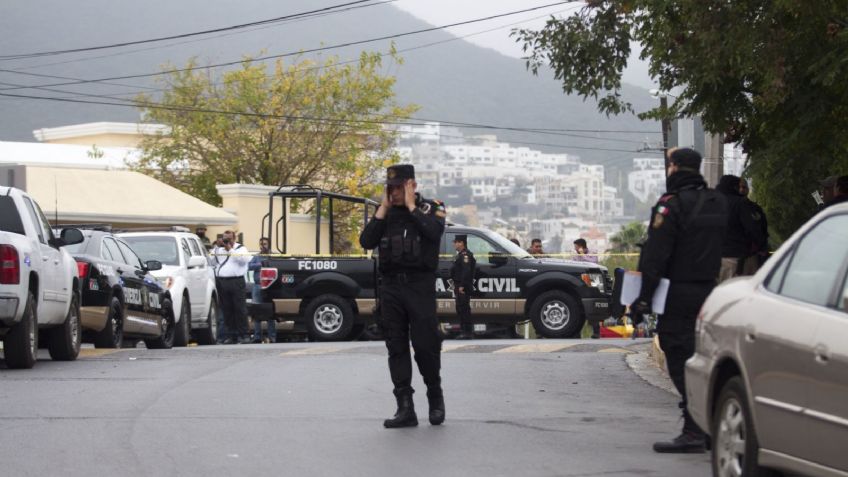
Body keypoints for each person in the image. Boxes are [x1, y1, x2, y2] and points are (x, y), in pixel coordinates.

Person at [630, 147, 727, 454]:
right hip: (710, 292)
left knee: (679, 356)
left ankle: (693, 428)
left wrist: (641, 301)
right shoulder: (718, 202)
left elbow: (656, 257)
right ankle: (711, 425)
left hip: (678, 293)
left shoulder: (670, 205)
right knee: (704, 358)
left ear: (673, 168)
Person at [359, 164, 447, 429]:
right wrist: (382, 210)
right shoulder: (384, 212)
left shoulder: (431, 209)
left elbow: (434, 233)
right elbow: (366, 241)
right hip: (391, 288)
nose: (393, 192)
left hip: (419, 287)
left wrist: (411, 206)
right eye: (390, 188)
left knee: (425, 346)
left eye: (398, 187)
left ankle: (435, 395)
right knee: (396, 347)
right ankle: (405, 408)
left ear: (412, 185)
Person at [715, 175, 764, 282]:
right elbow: (754, 229)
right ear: (734, 187)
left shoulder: (709, 202)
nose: (740, 190)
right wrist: (760, 246)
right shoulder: (740, 203)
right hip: (735, 258)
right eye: (738, 187)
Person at [212, 230, 251, 345]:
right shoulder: (219, 249)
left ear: (234, 239)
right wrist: (216, 248)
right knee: (227, 310)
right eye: (224, 238)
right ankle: (231, 335)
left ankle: (243, 335)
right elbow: (211, 262)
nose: (226, 241)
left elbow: (244, 260)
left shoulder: (241, 249)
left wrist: (230, 249)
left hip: (236, 281)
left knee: (240, 309)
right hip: (222, 282)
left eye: (228, 239)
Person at [738, 178, 769, 273]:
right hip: (734, 255)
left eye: (744, 187)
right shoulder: (730, 207)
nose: (741, 190)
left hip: (752, 255)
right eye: (739, 187)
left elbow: (763, 228)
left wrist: (762, 247)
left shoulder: (755, 209)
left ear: (748, 189)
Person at [249, 237, 275, 344]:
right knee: (257, 312)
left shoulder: (273, 255)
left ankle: (272, 337)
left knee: (270, 313)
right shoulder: (257, 256)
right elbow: (249, 266)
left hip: (270, 286)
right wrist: (259, 265)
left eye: (264, 244)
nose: (262, 246)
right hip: (257, 286)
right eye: (261, 244)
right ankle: (257, 337)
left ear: (269, 244)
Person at [450, 235, 476, 340]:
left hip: (463, 286)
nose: (454, 244)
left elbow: (466, 272)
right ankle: (463, 331)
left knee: (464, 308)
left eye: (456, 242)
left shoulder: (465, 255)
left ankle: (467, 332)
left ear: (461, 243)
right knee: (460, 307)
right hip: (459, 285)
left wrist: (462, 286)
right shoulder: (460, 255)